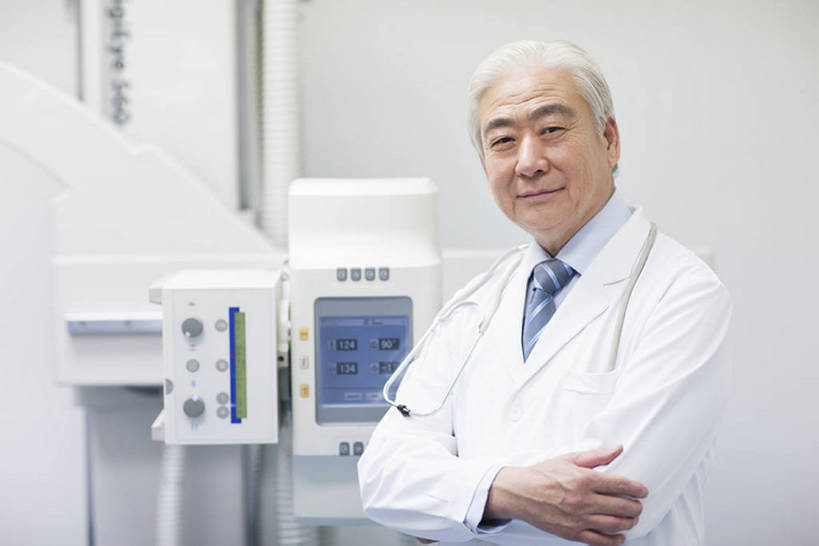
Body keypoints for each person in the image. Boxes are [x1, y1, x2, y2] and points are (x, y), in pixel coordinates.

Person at [358, 40, 731, 546]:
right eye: (503, 140)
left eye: (551, 130)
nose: (528, 162)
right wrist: (507, 493)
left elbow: (614, 508)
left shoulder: (683, 295)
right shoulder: (478, 301)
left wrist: (452, 503)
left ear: (609, 139)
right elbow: (382, 479)